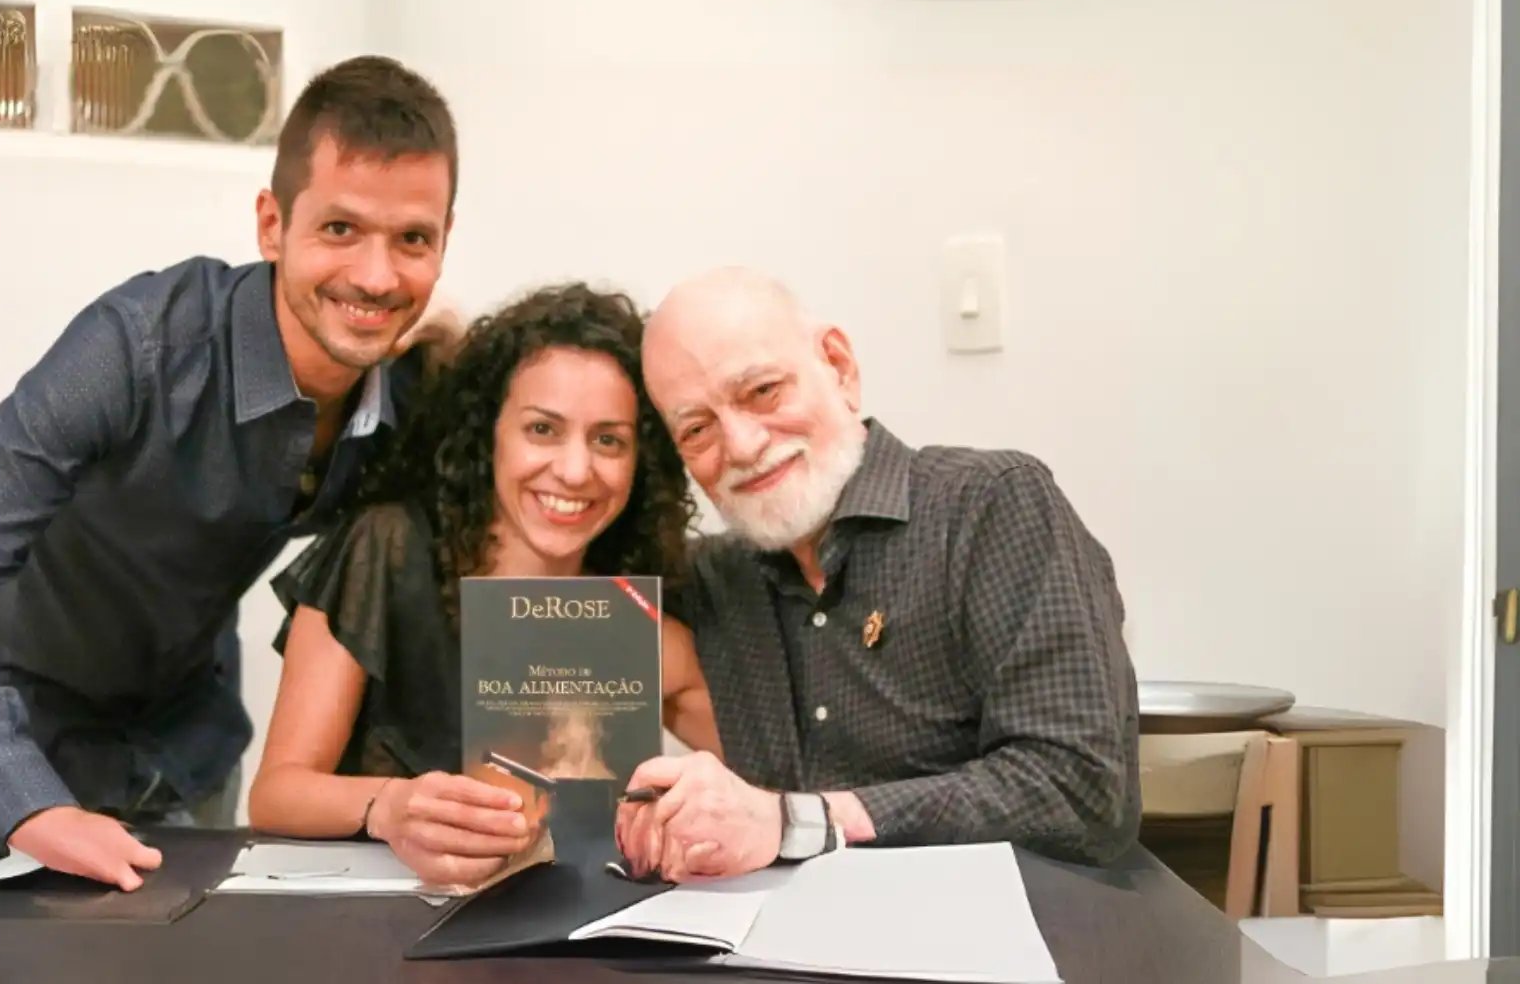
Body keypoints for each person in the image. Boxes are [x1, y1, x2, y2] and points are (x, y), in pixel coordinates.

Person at [0, 54, 461, 891]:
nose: (376, 275)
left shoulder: (415, 395)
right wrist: (32, 802)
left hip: (178, 745)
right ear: (272, 224)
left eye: (412, 240)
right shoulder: (138, 347)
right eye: (340, 229)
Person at [615, 266, 1140, 882]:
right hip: (785, 953)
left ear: (837, 366)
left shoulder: (990, 507)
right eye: (697, 429)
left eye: (762, 392)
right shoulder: (713, 584)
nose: (742, 444)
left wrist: (797, 822)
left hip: (1009, 942)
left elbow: (1079, 790)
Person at [248, 283, 720, 889]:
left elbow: (769, 791)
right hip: (382, 934)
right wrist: (390, 806)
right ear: (489, 431)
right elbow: (276, 793)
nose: (575, 470)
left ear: (641, 460)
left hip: (575, 944)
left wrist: (684, 809)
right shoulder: (386, 549)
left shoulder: (639, 616)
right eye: (542, 430)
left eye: (609, 440)